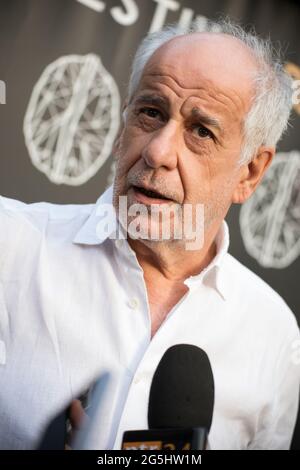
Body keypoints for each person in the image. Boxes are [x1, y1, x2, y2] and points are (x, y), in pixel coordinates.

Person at [0, 19, 299, 450]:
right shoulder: (13, 246)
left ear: (250, 173)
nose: (157, 151)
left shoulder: (275, 335)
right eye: (151, 112)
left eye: (201, 131)